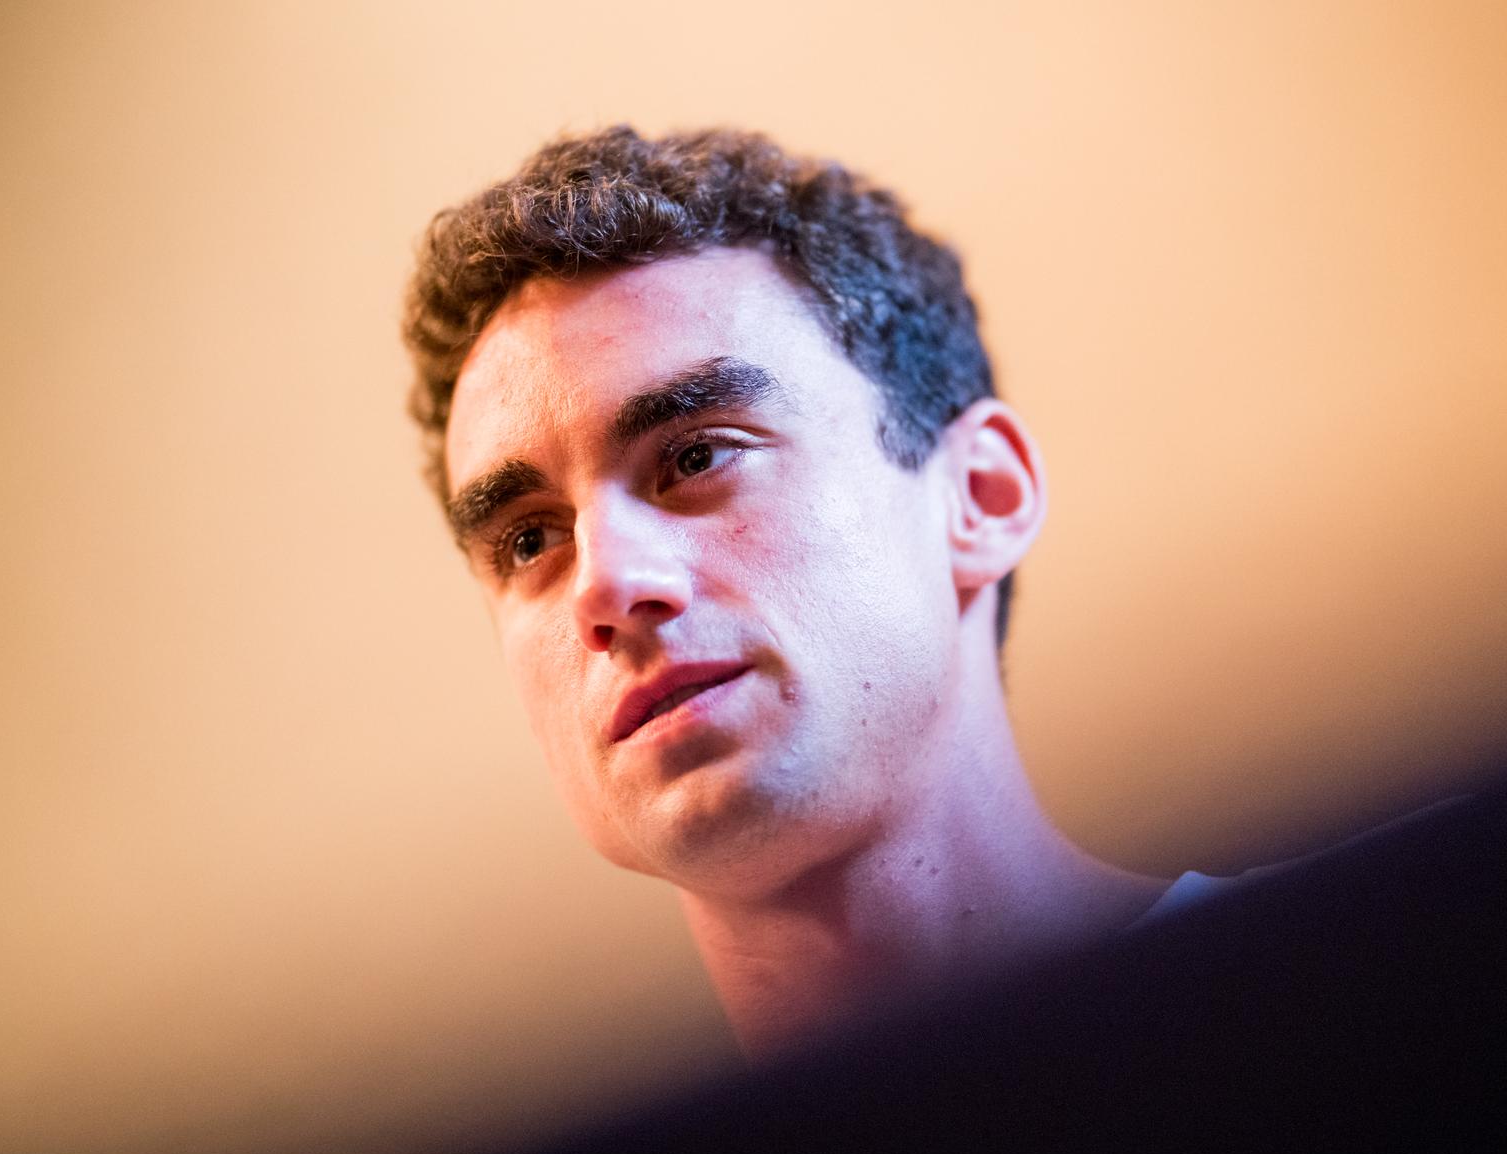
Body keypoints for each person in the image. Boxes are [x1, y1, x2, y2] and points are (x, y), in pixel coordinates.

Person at [403, 126, 1177, 1054]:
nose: (605, 586)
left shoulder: (1367, 1003)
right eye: (529, 539)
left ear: (979, 495)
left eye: (696, 457)